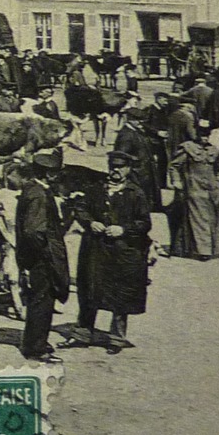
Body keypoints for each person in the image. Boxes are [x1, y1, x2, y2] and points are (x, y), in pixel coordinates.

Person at [72, 150, 153, 354]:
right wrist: (90, 222)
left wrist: (123, 229)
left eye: (120, 167)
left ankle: (116, 338)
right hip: (96, 249)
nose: (115, 171)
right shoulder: (96, 188)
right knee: (90, 290)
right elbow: (80, 208)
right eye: (112, 166)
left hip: (123, 252)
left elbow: (144, 223)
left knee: (120, 295)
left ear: (128, 169)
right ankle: (83, 333)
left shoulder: (136, 193)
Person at [15, 152, 68, 363]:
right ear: (47, 174)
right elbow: (33, 231)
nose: (56, 176)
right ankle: (35, 348)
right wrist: (46, 252)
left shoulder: (31, 188)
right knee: (42, 301)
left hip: (34, 256)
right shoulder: (39, 195)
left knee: (39, 299)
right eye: (54, 172)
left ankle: (33, 342)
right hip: (40, 259)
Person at [169, 120, 219, 260]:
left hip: (212, 189)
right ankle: (203, 250)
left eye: (206, 135)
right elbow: (174, 166)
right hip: (194, 188)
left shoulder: (214, 150)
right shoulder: (188, 148)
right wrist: (176, 181)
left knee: (215, 219)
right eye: (201, 134)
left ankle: (217, 248)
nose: (204, 138)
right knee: (199, 219)